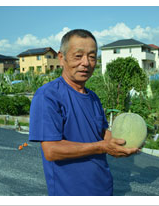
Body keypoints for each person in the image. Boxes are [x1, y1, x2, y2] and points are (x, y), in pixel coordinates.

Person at [29, 29, 139, 196]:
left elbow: (101, 133)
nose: (86, 63)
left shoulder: (93, 97)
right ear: (61, 58)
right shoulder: (48, 96)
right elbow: (52, 150)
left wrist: (126, 143)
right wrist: (103, 147)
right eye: (78, 56)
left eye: (92, 56)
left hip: (103, 189)